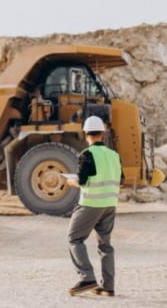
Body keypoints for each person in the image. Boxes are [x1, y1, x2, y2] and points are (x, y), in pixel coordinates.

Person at [65, 115, 123, 297]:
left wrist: (70, 182)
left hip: (91, 204)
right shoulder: (114, 156)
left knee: (74, 238)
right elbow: (121, 180)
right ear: (102, 134)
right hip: (110, 205)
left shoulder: (87, 155)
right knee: (105, 245)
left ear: (85, 134)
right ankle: (108, 286)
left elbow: (82, 181)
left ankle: (86, 277)